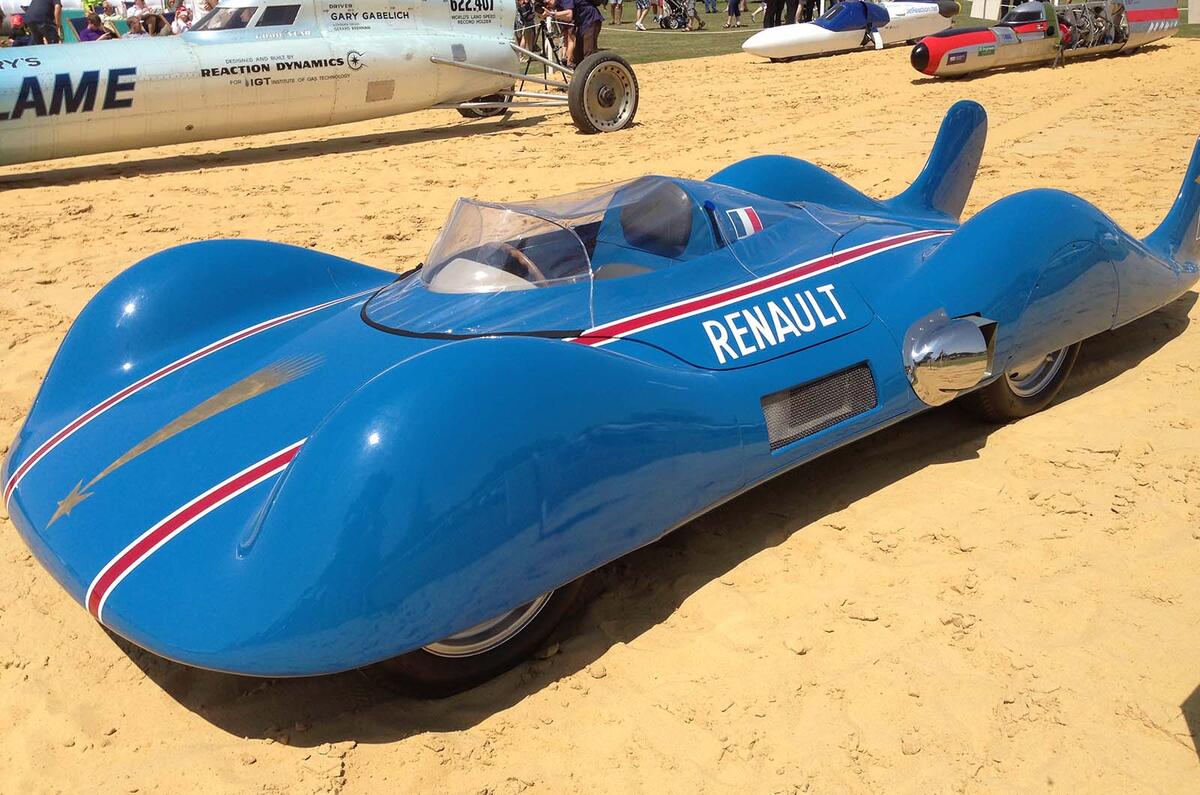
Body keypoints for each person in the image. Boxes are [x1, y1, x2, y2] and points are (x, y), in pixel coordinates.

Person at [541, 0, 601, 67]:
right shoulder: (558, 4)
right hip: (581, 24)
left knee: (588, 52)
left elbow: (569, 14)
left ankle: (592, 75)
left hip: (591, 20)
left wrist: (551, 14)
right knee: (577, 56)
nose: (547, 2)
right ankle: (578, 74)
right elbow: (568, 19)